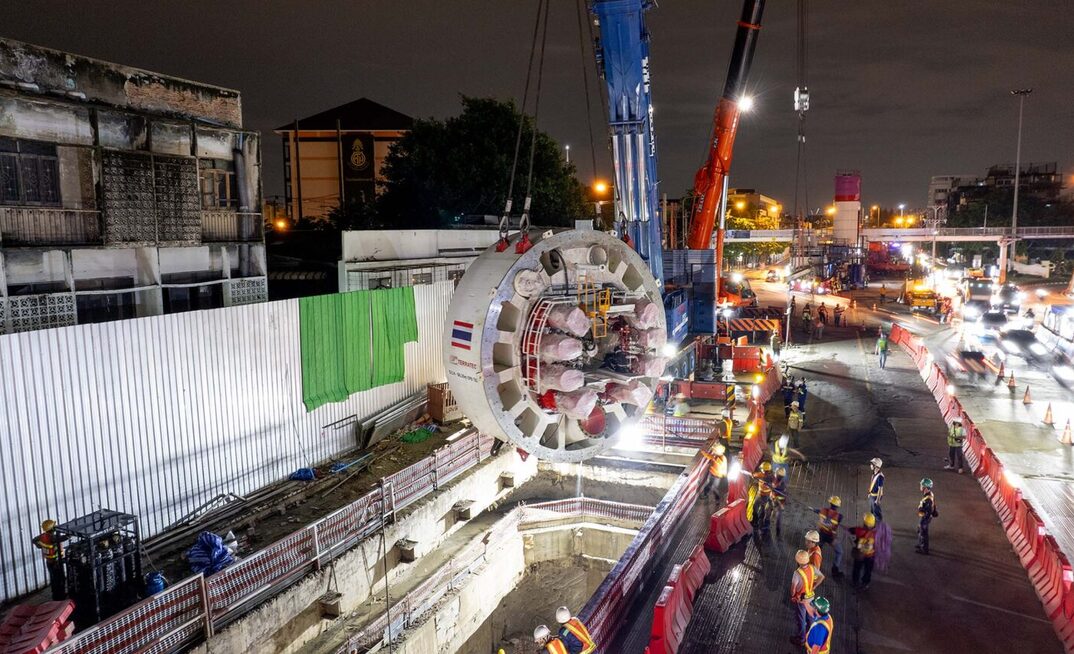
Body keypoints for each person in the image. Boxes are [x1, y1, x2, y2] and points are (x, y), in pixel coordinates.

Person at [789, 549, 825, 646]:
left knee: (801, 619)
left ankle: (801, 639)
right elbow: (821, 577)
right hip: (811, 597)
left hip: (801, 600)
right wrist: (814, 586)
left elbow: (793, 589)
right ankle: (811, 634)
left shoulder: (797, 573)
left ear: (798, 561)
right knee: (810, 617)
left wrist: (792, 596)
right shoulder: (812, 567)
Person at [31, 519, 65, 601]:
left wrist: (40, 545)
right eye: (54, 526)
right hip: (56, 562)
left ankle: (55, 596)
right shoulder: (52, 538)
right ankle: (60, 598)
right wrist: (68, 536)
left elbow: (34, 540)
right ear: (51, 529)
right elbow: (59, 539)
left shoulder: (42, 536)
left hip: (49, 562)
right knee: (60, 580)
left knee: (54, 580)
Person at [813, 496, 845, 577]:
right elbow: (835, 527)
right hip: (830, 537)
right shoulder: (839, 516)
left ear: (830, 503)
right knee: (839, 552)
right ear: (838, 506)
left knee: (817, 551)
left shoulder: (823, 510)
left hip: (821, 535)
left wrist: (814, 510)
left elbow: (818, 511)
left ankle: (814, 566)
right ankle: (835, 569)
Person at [849, 513, 878, 590]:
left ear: (864, 523)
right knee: (868, 570)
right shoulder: (876, 534)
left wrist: (855, 540)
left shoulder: (858, 530)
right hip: (870, 556)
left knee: (857, 568)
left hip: (860, 555)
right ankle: (865, 583)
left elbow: (850, 530)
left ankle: (855, 582)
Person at [752, 462, 777, 538]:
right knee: (760, 509)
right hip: (763, 494)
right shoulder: (770, 476)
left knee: (759, 509)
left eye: (762, 469)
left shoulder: (767, 477)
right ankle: (759, 523)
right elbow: (754, 475)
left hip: (764, 495)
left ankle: (758, 524)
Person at [916, 478, 938, 555]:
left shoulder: (928, 499)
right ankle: (921, 544)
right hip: (926, 517)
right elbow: (934, 504)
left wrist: (921, 511)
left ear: (925, 487)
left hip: (925, 518)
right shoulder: (930, 494)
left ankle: (924, 549)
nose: (920, 486)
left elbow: (928, 511)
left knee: (923, 532)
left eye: (921, 485)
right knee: (920, 530)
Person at [773, 467, 788, 536]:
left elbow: (782, 497)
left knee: (778, 517)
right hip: (774, 500)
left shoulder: (782, 485)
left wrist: (781, 504)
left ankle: (777, 531)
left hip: (778, 502)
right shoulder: (775, 480)